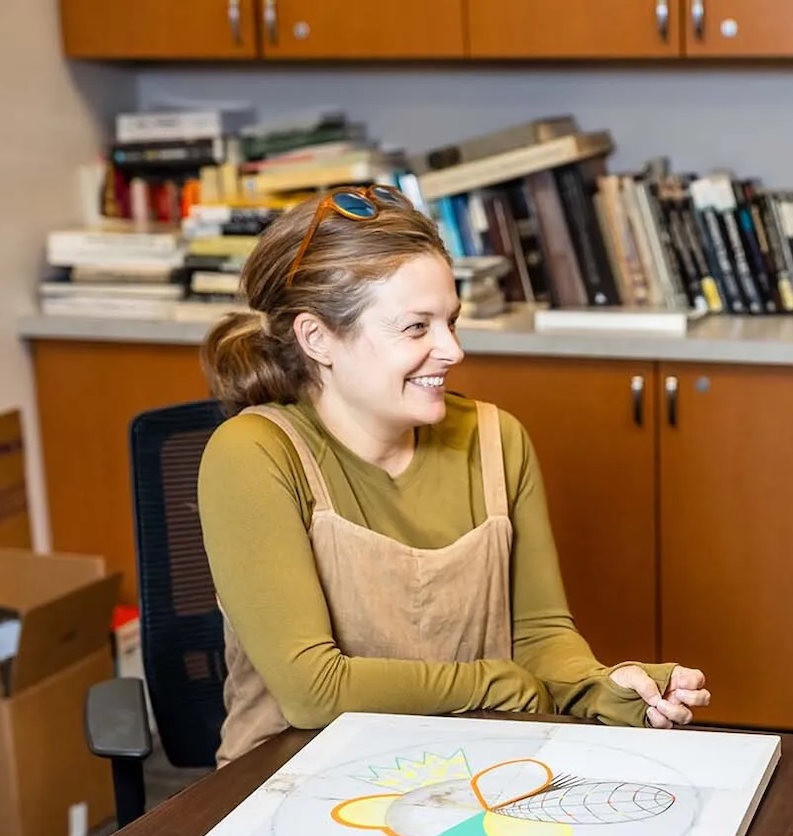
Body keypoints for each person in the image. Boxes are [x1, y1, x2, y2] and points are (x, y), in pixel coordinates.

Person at [196, 185, 708, 764]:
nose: (452, 350)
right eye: (417, 328)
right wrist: (493, 685)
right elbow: (314, 692)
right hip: (293, 780)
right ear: (317, 339)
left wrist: (604, 688)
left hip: (472, 768)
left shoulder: (497, 439)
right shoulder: (251, 454)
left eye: (451, 321)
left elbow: (539, 636)